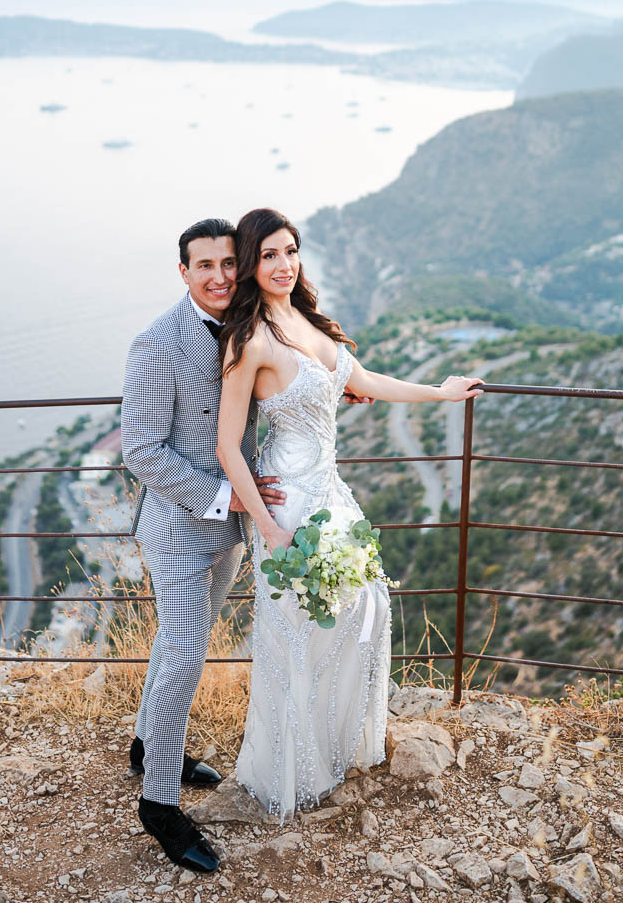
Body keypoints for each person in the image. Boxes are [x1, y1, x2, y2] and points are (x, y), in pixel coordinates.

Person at [215, 207, 483, 820]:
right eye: (268, 257)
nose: (283, 266)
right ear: (251, 267)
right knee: (300, 636)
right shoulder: (247, 340)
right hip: (286, 504)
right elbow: (229, 445)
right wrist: (268, 526)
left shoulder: (308, 321)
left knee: (363, 608)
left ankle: (334, 750)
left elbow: (365, 377)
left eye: (290, 251)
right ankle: (290, 770)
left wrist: (438, 393)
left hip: (332, 495)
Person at [120, 218, 286, 874]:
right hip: (181, 529)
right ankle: (159, 804)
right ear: (183, 271)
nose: (218, 277)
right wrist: (225, 497)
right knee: (188, 655)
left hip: (233, 532)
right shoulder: (156, 344)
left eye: (227, 264)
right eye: (204, 266)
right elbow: (141, 451)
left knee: (174, 642)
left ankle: (144, 744)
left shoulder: (251, 326)